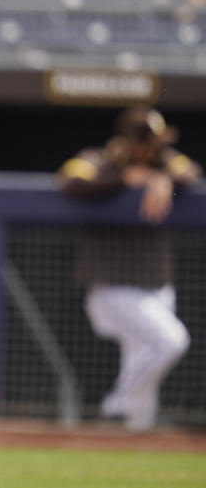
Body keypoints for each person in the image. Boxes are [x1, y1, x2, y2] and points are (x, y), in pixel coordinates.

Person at [57, 106, 201, 431]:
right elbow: (69, 178)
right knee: (171, 341)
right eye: (147, 142)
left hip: (157, 282)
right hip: (114, 285)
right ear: (133, 142)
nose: (153, 147)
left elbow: (191, 172)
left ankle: (136, 434)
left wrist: (159, 177)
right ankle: (119, 399)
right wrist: (122, 179)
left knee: (143, 370)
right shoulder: (100, 158)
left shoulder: (165, 161)